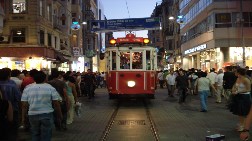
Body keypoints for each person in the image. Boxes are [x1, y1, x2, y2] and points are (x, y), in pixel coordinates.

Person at [21, 71, 62, 141]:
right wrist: (59, 114)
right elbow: (56, 103)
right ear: (45, 78)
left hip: (32, 114)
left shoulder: (28, 88)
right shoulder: (50, 88)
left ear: (34, 78)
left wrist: (23, 117)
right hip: (47, 114)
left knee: (35, 133)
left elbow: (24, 105)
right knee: (46, 134)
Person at [229, 68, 251, 132]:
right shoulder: (238, 78)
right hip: (238, 96)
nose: (234, 73)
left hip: (245, 97)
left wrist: (238, 91)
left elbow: (248, 89)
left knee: (243, 112)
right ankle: (241, 124)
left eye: (236, 72)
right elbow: (234, 86)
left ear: (238, 73)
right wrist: (233, 90)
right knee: (239, 112)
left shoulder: (246, 80)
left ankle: (243, 125)